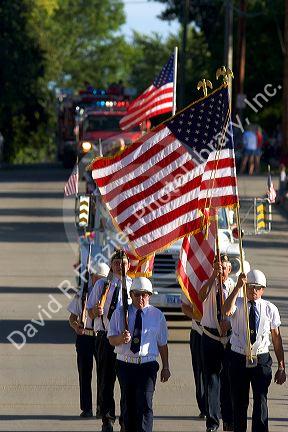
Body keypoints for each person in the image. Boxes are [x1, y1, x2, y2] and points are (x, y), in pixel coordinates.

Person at [222, 269, 286, 432]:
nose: (253, 291)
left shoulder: (270, 308)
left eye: (257, 287)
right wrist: (237, 288)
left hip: (261, 358)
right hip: (238, 357)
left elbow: (276, 338)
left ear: (263, 289)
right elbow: (226, 311)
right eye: (250, 287)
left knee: (261, 400)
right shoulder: (237, 303)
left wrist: (281, 366)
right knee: (239, 401)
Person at [108, 277, 171, 432]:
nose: (141, 298)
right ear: (131, 294)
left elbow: (162, 343)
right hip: (125, 365)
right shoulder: (120, 313)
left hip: (147, 365)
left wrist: (166, 366)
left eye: (145, 294)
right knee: (128, 405)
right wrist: (120, 338)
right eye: (137, 294)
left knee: (145, 404)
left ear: (149, 295)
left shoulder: (157, 315)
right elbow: (111, 339)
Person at [87, 250, 132, 432]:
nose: (120, 266)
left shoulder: (132, 287)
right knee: (106, 381)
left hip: (125, 341)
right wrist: (94, 312)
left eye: (124, 263)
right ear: (111, 265)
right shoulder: (102, 286)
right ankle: (107, 419)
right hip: (105, 338)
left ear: (129, 266)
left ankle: (125, 420)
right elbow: (89, 312)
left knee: (126, 383)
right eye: (117, 263)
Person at [68, 261, 109, 418]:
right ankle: (86, 408)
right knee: (84, 373)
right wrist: (75, 326)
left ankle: (101, 407)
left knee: (103, 374)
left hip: (101, 337)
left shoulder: (108, 295)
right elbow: (71, 318)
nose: (99, 282)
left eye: (102, 279)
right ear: (92, 277)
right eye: (97, 278)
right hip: (84, 336)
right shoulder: (83, 293)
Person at [198, 254, 235, 432]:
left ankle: (228, 419)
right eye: (218, 267)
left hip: (228, 338)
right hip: (210, 337)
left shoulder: (235, 285)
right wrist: (213, 276)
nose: (221, 270)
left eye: (224, 267)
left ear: (230, 270)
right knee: (211, 381)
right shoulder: (210, 283)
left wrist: (230, 323)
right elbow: (201, 296)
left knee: (228, 380)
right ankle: (212, 422)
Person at [181, 294, 206, 420]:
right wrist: (199, 317)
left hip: (222, 335)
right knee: (200, 372)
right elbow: (185, 307)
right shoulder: (194, 280)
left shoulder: (231, 283)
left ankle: (220, 406)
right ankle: (205, 408)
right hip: (199, 332)